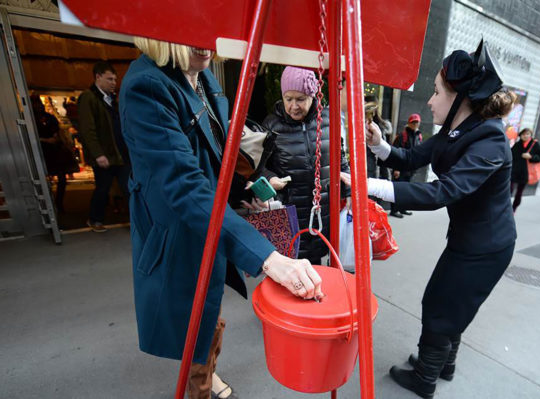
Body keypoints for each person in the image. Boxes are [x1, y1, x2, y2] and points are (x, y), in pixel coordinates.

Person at [120, 39, 324, 399]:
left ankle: (207, 370)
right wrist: (268, 258)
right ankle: (199, 384)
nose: (205, 44)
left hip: (209, 219)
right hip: (179, 230)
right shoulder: (147, 85)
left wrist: (245, 190)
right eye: (191, 34)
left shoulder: (201, 76)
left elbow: (213, 160)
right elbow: (184, 185)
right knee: (194, 317)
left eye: (209, 31)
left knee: (208, 310)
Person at [343, 41, 516, 398]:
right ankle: (443, 364)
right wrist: (378, 145)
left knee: (441, 304)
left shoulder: (491, 141)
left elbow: (442, 193)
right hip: (470, 239)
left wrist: (367, 185)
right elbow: (409, 158)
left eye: (436, 92)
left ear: (461, 99)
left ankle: (425, 377)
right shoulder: (459, 131)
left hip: (487, 246)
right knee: (451, 301)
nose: (430, 100)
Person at [261, 66, 351, 265]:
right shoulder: (271, 125)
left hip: (326, 212)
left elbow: (341, 160)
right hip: (291, 213)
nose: (293, 106)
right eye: (288, 98)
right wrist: (269, 178)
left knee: (324, 272)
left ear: (313, 96)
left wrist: (349, 186)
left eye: (300, 99)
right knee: (294, 273)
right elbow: (260, 168)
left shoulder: (328, 119)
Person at [78, 62, 132, 232]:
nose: (113, 82)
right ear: (98, 77)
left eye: (115, 79)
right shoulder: (89, 98)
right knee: (103, 189)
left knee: (129, 187)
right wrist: (98, 154)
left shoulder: (110, 100)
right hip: (105, 155)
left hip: (120, 154)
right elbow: (88, 130)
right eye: (109, 79)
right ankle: (95, 219)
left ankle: (136, 219)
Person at [31, 95, 79, 212]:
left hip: (52, 151)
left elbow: (56, 133)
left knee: (60, 178)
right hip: (43, 150)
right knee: (52, 178)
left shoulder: (46, 118)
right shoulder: (32, 119)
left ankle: (57, 203)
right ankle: (53, 203)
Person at [389, 114, 423, 218]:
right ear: (409, 123)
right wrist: (396, 169)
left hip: (410, 168)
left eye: (416, 122)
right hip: (401, 168)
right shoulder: (402, 136)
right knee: (397, 189)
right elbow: (395, 152)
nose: (415, 124)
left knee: (406, 189)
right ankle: (394, 210)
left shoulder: (418, 135)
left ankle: (402, 208)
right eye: (413, 122)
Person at [510, 128, 540, 212]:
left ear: (530, 135)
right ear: (520, 135)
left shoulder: (535, 144)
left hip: (526, 173)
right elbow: (510, 156)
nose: (525, 136)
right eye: (523, 134)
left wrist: (531, 157)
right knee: (509, 190)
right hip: (513, 172)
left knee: (519, 192)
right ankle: (506, 207)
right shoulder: (517, 145)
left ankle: (514, 208)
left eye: (527, 134)